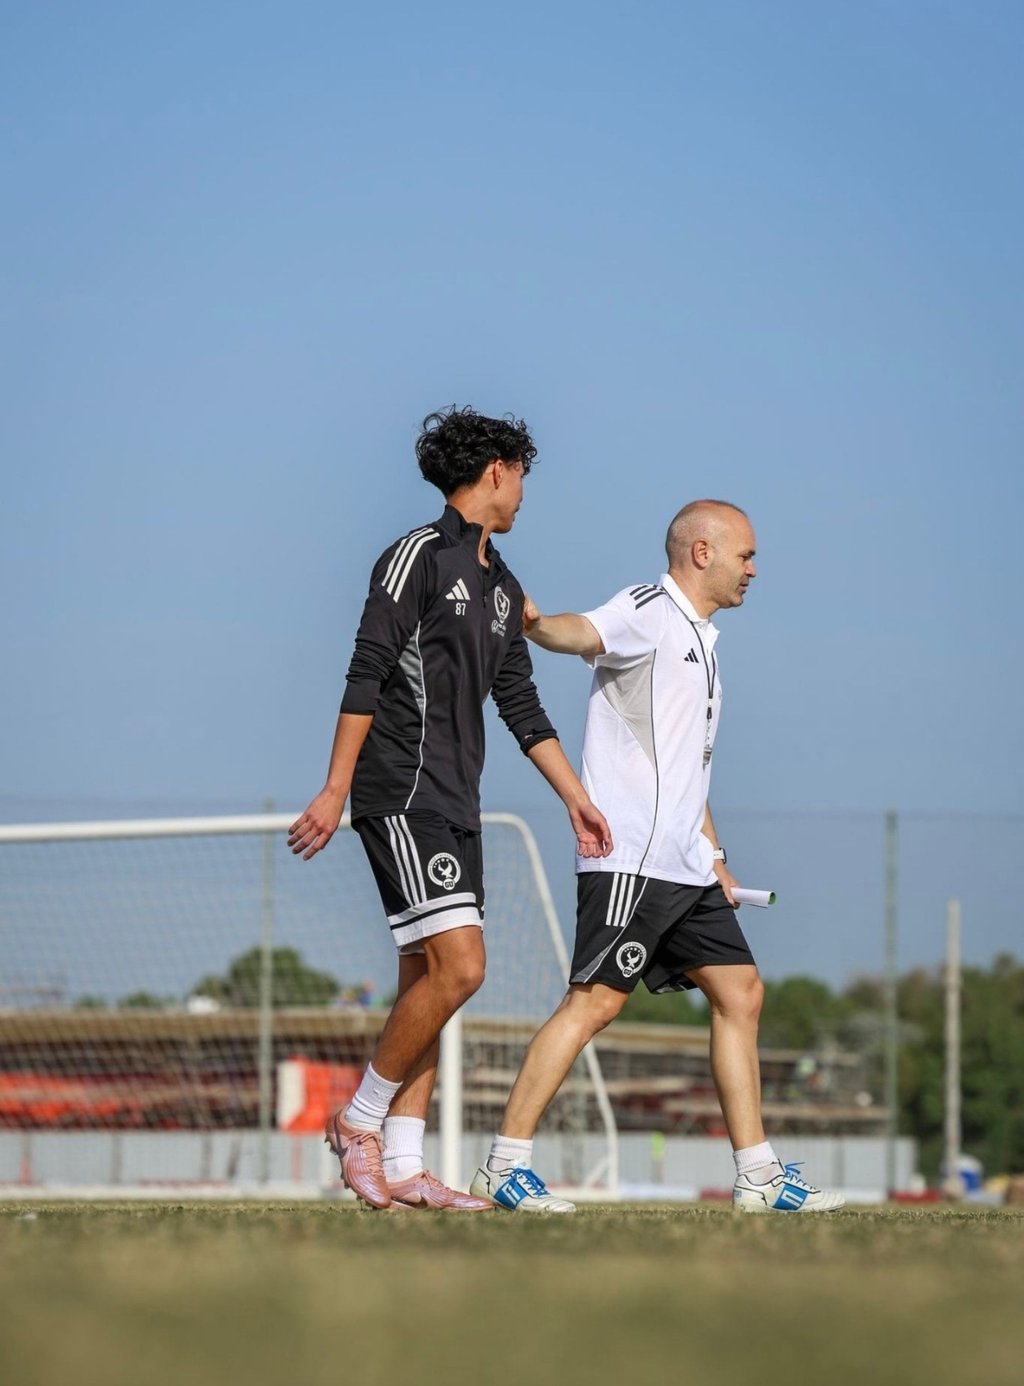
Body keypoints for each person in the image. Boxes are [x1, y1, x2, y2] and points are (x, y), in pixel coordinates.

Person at [470, 500, 845, 1215]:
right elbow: (583, 631)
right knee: (594, 1004)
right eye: (746, 555)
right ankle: (504, 1164)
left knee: (742, 994)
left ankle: (758, 1178)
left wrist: (715, 854)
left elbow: (686, 768)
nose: (754, 569)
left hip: (685, 864)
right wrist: (534, 622)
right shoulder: (647, 608)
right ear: (702, 551)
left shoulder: (704, 639)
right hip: (631, 860)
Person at [289, 406, 612, 1211]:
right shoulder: (415, 558)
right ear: (497, 469)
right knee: (464, 968)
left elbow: (521, 705)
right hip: (400, 791)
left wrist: (577, 799)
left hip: (456, 800)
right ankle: (359, 1124)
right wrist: (335, 788)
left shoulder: (503, 585)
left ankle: (403, 1163)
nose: (527, 491)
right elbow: (365, 670)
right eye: (523, 473)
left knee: (425, 977)